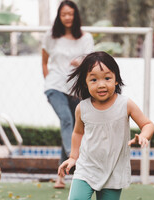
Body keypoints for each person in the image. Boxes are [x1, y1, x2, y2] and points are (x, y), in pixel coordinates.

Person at [58, 51, 154, 200]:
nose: (101, 84)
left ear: (116, 80)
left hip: (114, 168)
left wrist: (143, 136)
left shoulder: (125, 104)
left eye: (107, 78)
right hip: (87, 165)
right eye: (93, 79)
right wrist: (73, 157)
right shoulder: (82, 108)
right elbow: (78, 132)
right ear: (85, 83)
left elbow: (148, 124)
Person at [41, 0, 94, 189]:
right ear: (59, 16)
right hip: (54, 86)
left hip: (76, 90)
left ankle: (61, 177)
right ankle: (78, 162)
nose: (67, 17)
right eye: (63, 14)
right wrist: (48, 80)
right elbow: (45, 61)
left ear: (75, 15)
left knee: (74, 130)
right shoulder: (51, 36)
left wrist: (81, 63)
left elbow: (91, 63)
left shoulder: (86, 38)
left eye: (70, 14)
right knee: (66, 120)